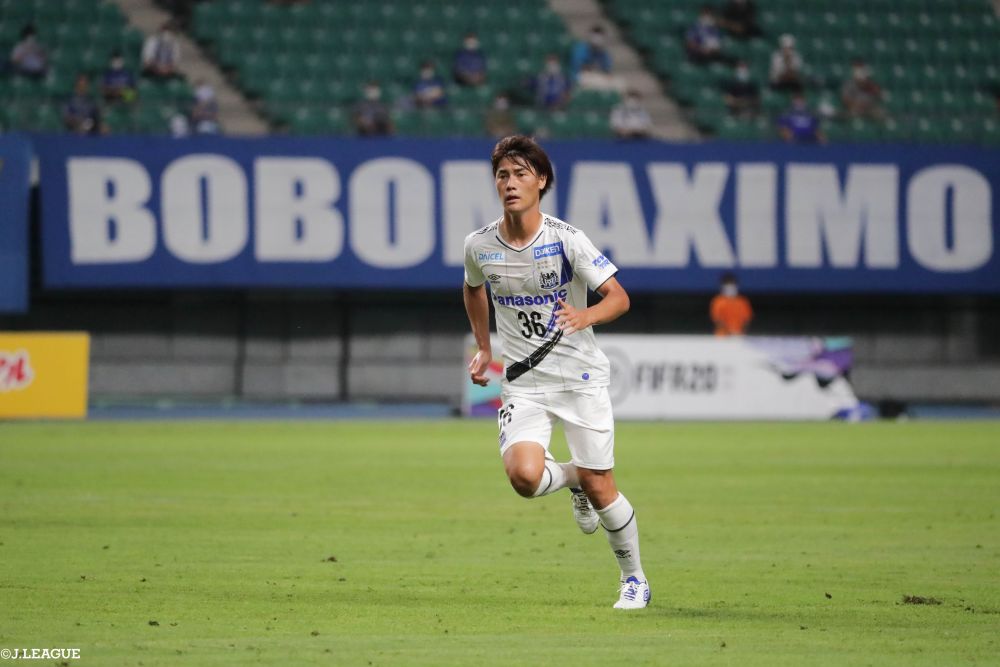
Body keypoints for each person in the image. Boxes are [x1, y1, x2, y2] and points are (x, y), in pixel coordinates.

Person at [463, 135, 650, 610]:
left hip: (580, 379)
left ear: (541, 181)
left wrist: (585, 316)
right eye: (502, 175)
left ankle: (634, 579)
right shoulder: (479, 244)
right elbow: (472, 288)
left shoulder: (567, 239)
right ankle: (573, 479)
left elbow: (619, 298)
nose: (510, 183)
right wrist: (484, 347)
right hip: (524, 383)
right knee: (524, 478)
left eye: (520, 174)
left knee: (603, 487)